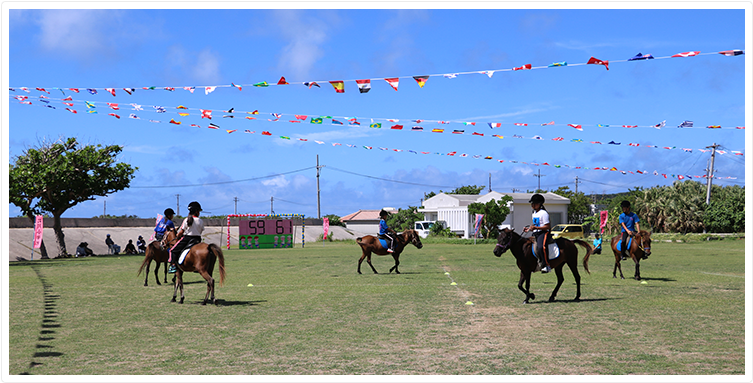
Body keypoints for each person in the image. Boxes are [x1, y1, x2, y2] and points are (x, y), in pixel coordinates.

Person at [169, 201, 205, 273]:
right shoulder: (201, 221)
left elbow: (181, 232)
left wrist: (177, 235)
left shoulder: (186, 220)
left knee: (173, 250)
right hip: (197, 239)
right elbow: (200, 231)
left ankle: (173, 266)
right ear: (197, 212)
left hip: (188, 239)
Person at [523, 193, 551, 273]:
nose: (532, 205)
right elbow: (535, 225)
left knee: (541, 247)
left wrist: (536, 228)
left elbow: (547, 226)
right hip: (536, 233)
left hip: (543, 233)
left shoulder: (544, 213)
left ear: (539, 204)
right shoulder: (534, 213)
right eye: (532, 203)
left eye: (534, 203)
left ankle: (547, 265)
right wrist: (528, 229)